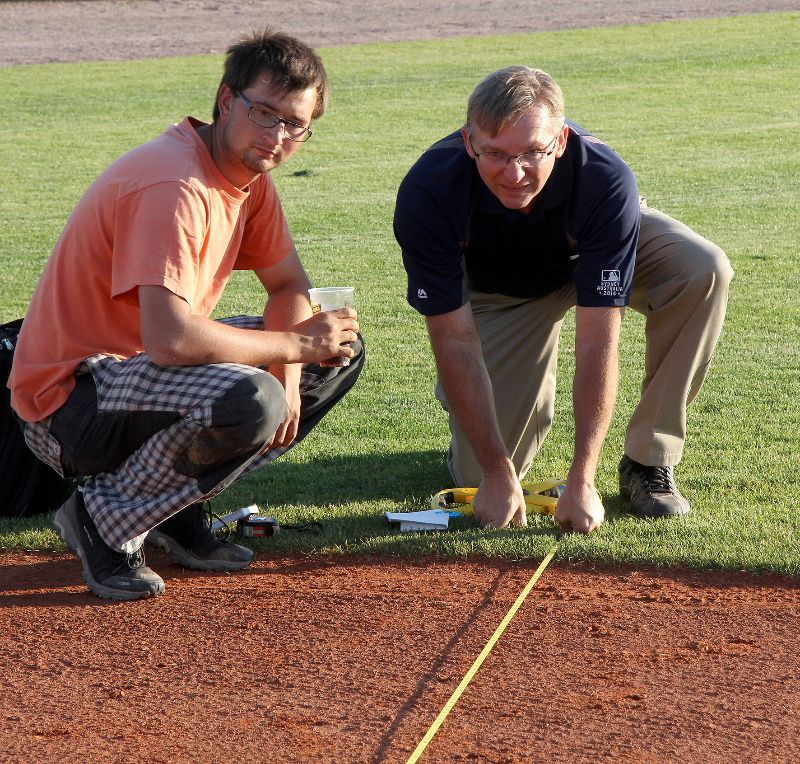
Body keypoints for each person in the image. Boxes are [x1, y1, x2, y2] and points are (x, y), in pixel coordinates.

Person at [8, 28, 363, 600]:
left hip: (137, 374)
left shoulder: (250, 178)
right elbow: (171, 341)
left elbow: (289, 284)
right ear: (227, 101)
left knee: (338, 350)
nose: (276, 136)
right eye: (264, 114)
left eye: (294, 124)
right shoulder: (173, 182)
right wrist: (290, 350)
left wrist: (294, 369)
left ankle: (171, 510)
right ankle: (101, 520)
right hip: (69, 400)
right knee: (253, 399)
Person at [394, 66, 732, 533]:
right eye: (495, 153)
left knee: (702, 269)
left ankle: (647, 459)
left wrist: (583, 478)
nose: (515, 174)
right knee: (481, 475)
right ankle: (485, 407)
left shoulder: (604, 178)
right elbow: (454, 340)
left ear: (562, 140)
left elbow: (598, 342)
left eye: (534, 152)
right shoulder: (428, 192)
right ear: (469, 142)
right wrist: (496, 473)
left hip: (589, 257)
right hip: (502, 292)